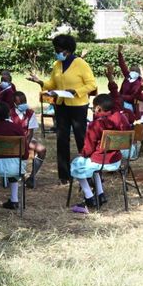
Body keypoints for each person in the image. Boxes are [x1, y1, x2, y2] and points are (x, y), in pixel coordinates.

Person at [27, 34, 97, 184]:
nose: (56, 52)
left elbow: (92, 85)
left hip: (78, 106)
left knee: (81, 138)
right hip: (61, 106)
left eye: (58, 49)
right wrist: (39, 81)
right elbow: (52, 84)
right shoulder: (57, 64)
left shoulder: (81, 64)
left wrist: (75, 91)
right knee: (62, 139)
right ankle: (64, 175)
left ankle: (88, 173)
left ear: (67, 50)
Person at [70, 94, 129, 214]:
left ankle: (89, 196)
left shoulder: (96, 124)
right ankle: (100, 194)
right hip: (116, 160)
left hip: (101, 161)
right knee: (92, 165)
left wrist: (83, 154)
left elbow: (89, 147)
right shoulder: (120, 117)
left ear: (98, 108)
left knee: (76, 164)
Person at [0, 102, 28, 209]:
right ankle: (14, 200)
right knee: (14, 165)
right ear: (9, 113)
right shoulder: (17, 128)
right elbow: (25, 152)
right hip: (14, 166)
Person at [10, 92, 47, 189]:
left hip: (26, 138)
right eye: (19, 102)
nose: (22, 104)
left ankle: (31, 177)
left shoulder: (30, 113)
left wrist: (24, 145)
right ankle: (12, 175)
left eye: (23, 101)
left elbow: (30, 133)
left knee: (42, 150)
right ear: (14, 103)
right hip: (12, 140)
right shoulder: (10, 113)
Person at [117, 45, 143, 115]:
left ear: (138, 74)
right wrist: (119, 53)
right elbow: (122, 65)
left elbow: (134, 97)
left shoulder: (139, 82)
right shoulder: (127, 76)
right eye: (132, 71)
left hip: (130, 104)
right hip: (120, 100)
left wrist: (121, 97)